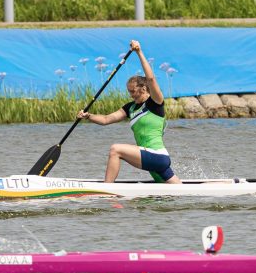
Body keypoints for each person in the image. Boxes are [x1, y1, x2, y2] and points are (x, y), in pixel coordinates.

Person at [77, 40, 181, 184]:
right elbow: (106, 119)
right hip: (150, 159)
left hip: (157, 156)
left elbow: (150, 78)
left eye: (133, 91)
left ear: (143, 89)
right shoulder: (130, 108)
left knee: (115, 150)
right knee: (178, 189)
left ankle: (107, 188)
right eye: (129, 91)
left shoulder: (155, 103)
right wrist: (88, 116)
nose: (130, 94)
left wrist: (139, 52)